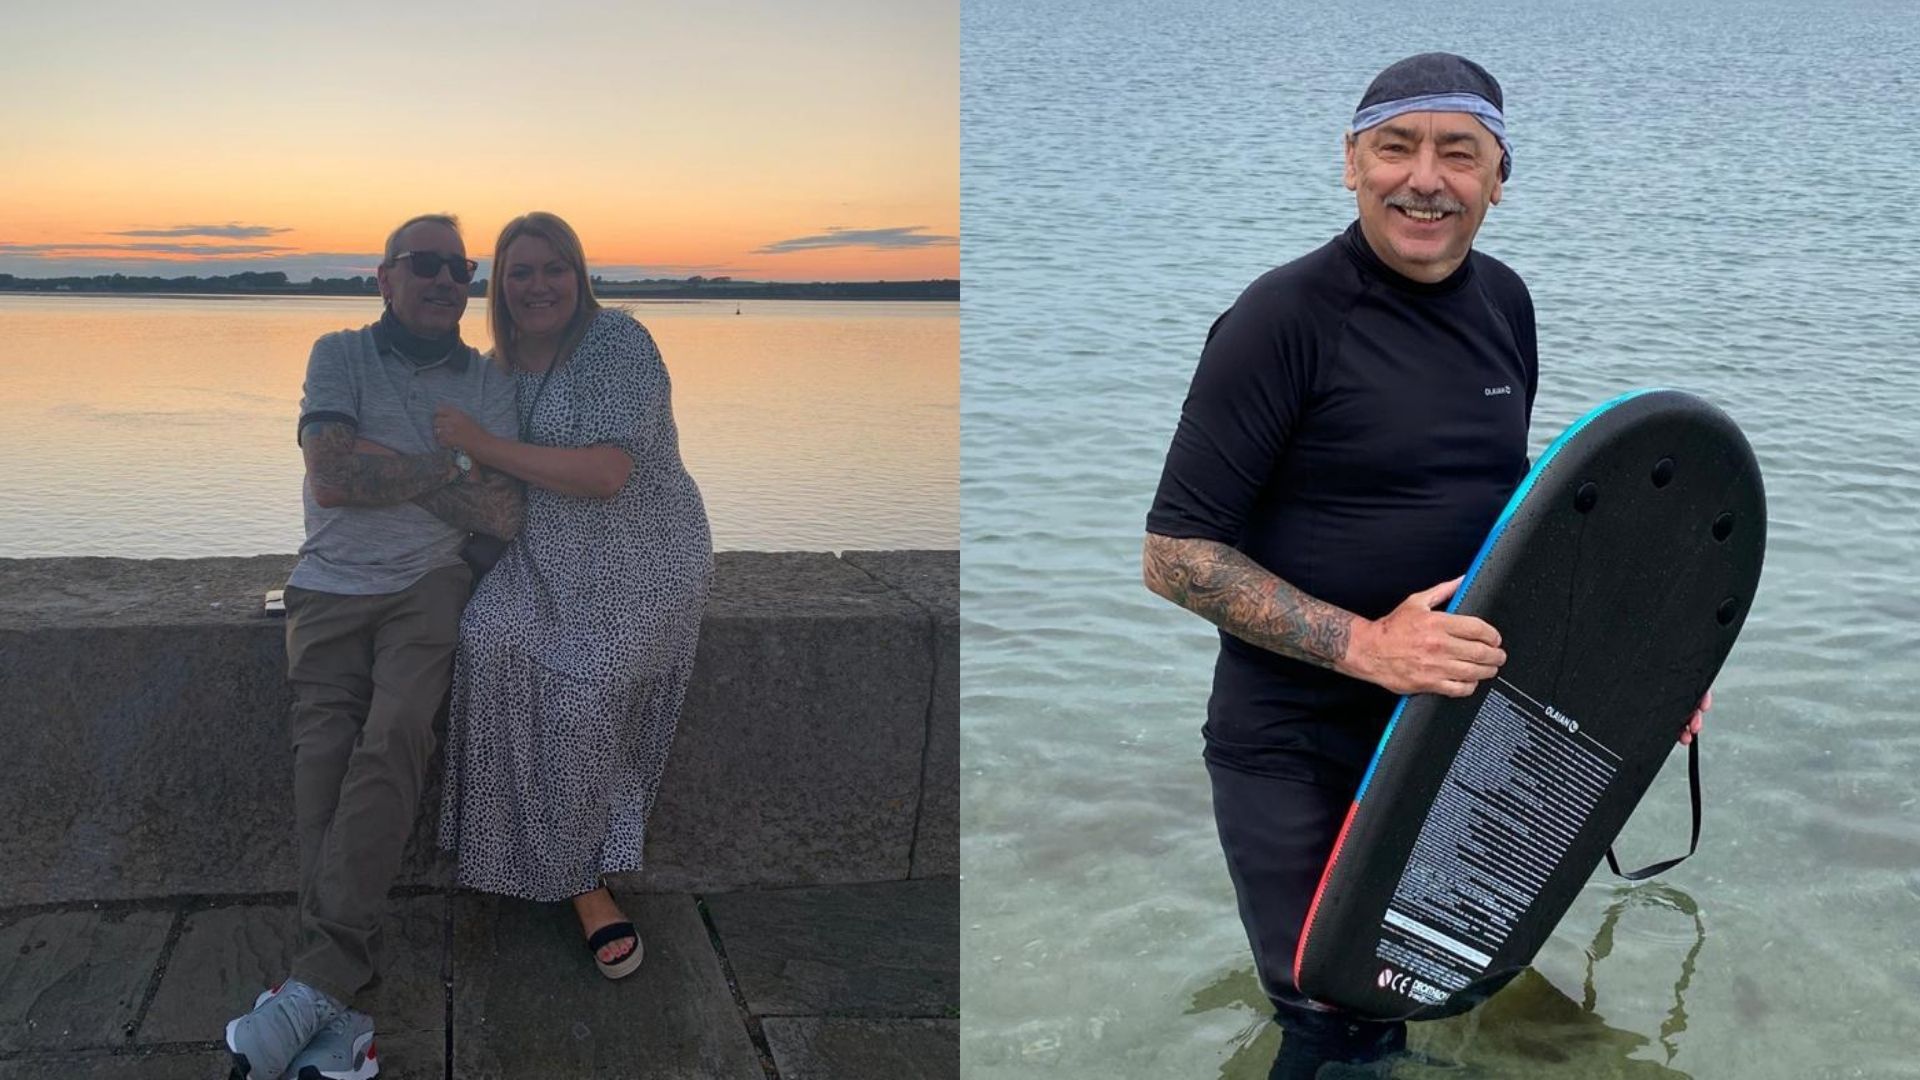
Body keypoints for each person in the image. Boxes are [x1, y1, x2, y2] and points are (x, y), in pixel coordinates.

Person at [1140, 54, 1708, 1078]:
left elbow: (1517, 528)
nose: (1424, 179)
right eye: (1395, 147)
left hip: (1457, 734)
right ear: (1350, 165)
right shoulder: (1281, 321)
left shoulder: (1506, 305)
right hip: (1294, 743)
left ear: (1500, 177)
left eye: (1459, 153)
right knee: (1335, 1017)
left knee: (1437, 980)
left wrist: (1641, 669)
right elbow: (1175, 556)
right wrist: (1366, 646)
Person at [225, 213, 524, 1080]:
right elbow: (334, 476)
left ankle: (308, 985)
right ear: (383, 278)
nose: (443, 280)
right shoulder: (338, 353)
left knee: (396, 731)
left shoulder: (491, 381)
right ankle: (335, 1010)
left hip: (429, 586)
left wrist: (398, 464)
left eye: (459, 268)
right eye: (423, 264)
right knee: (321, 754)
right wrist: (454, 464)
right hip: (326, 585)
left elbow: (506, 517)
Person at [433, 211, 713, 980]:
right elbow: (474, 478)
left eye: (553, 267)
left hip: (643, 554)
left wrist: (478, 442)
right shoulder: (500, 364)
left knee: (587, 686)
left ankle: (585, 879)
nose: (537, 285)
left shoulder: (618, 341)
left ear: (579, 273)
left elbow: (605, 474)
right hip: (546, 554)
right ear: (501, 285)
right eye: (520, 272)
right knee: (487, 641)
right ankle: (512, 856)